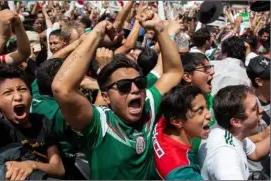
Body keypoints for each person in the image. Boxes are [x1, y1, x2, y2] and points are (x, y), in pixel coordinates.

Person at [51, 11, 183, 179]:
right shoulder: (99, 124)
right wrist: (96, 33)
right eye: (124, 86)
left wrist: (160, 30)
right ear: (105, 97)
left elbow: (173, 72)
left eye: (140, 82)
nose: (135, 89)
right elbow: (62, 88)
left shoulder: (148, 104)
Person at [0, 10, 65, 180]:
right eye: (8, 93)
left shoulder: (42, 121)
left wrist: (31, 165)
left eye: (22, 90)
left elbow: (59, 169)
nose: (18, 97)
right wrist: (0, 38)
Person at [198, 85, 270, 180]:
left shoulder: (228, 131)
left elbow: (255, 153)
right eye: (254, 109)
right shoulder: (226, 156)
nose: (261, 110)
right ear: (236, 122)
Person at [153, 85, 211, 180]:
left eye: (206, 107)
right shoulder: (182, 174)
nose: (208, 114)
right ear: (177, 122)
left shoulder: (163, 121)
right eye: (200, 111)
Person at [179, 52, 216, 161]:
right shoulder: (178, 108)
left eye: (210, 68)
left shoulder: (211, 99)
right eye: (205, 69)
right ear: (187, 76)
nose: (212, 72)